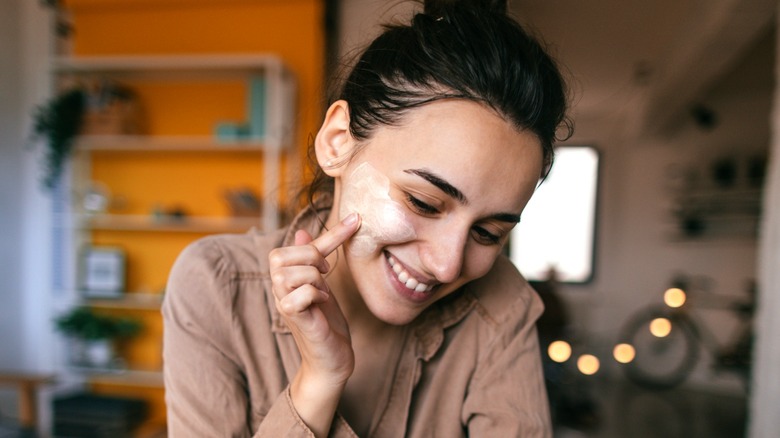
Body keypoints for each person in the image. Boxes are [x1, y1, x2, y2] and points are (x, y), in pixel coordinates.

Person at [162, 0, 571, 436]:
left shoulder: (500, 305)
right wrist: (318, 382)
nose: (448, 264)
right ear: (337, 142)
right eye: (424, 203)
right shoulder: (216, 285)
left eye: (488, 233)